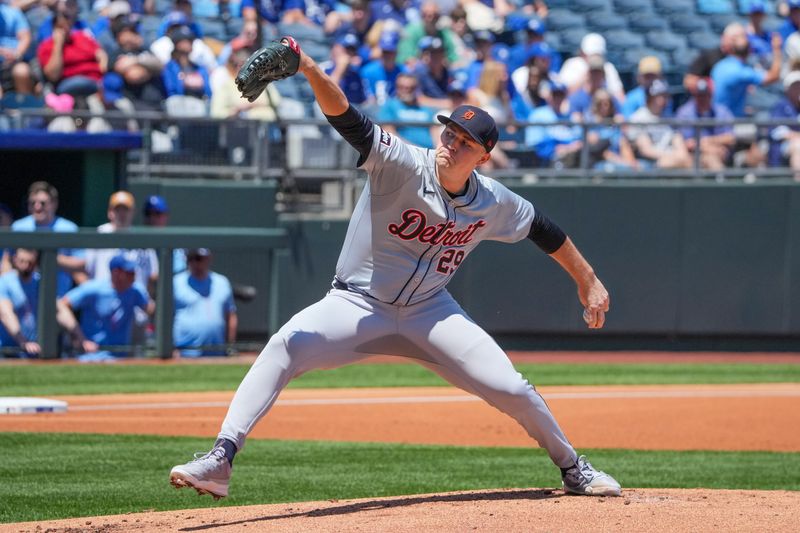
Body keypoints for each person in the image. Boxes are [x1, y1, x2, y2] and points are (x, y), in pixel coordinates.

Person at [169, 36, 621, 500]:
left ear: (483, 157)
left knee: (513, 389)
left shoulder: (492, 200)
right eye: (449, 133)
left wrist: (588, 281)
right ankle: (221, 458)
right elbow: (347, 117)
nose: (452, 144)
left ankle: (573, 468)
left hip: (431, 312)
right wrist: (306, 66)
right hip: (356, 302)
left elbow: (543, 229)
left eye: (465, 142)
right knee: (285, 344)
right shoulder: (402, 163)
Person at [57, 254, 153, 361]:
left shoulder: (135, 291)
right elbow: (61, 305)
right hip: (92, 356)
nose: (134, 275)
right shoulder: (94, 288)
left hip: (121, 357)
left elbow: (151, 309)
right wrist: (79, 337)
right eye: (129, 273)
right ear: (116, 273)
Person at [6, 181, 85, 297]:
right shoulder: (18, 227)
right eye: (32, 203)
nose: (37, 207)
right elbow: (6, 260)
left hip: (57, 298)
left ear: (54, 204)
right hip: (23, 299)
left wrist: (47, 257)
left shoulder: (69, 228)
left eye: (42, 203)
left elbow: (81, 264)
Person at [173, 248, 237, 357]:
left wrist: (230, 345)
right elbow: (164, 317)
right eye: (192, 259)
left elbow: (230, 315)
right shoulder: (176, 282)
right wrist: (170, 347)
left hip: (217, 349)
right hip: (184, 351)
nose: (196, 263)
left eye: (199, 259)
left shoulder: (222, 282)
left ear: (208, 259)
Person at [627, 79, 691, 170]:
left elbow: (678, 142)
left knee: (695, 160)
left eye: (665, 95)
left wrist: (681, 156)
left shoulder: (670, 117)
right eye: (659, 95)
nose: (664, 99)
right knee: (670, 163)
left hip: (673, 158)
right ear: (650, 97)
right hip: (652, 162)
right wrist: (675, 156)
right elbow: (646, 150)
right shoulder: (638, 118)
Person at [675, 77, 735, 171]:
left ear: (711, 95)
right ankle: (723, 184)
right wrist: (711, 149)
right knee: (711, 159)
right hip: (695, 155)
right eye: (699, 95)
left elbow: (730, 138)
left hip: (721, 152)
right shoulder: (685, 112)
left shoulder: (721, 111)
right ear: (694, 96)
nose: (702, 99)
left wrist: (708, 141)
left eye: (705, 95)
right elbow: (688, 143)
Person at [0, 248, 40, 357]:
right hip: (8, 350)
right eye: (22, 261)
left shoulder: (40, 282)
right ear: (15, 260)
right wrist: (23, 342)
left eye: (30, 262)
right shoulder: (4, 282)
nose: (26, 266)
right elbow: (5, 314)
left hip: (35, 349)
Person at [768, 70, 800, 179]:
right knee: (798, 146)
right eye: (795, 87)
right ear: (788, 89)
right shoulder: (780, 106)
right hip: (784, 147)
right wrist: (796, 136)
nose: (798, 90)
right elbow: (778, 132)